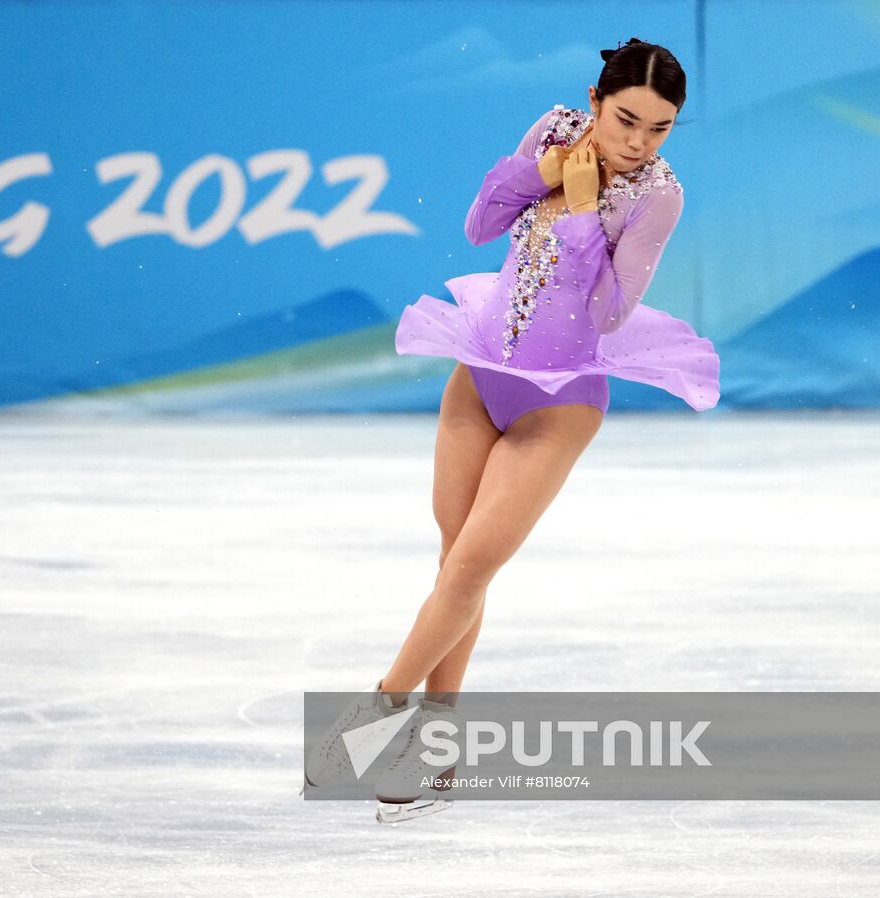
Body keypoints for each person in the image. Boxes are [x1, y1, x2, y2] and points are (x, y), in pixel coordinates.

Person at [303, 38, 720, 824]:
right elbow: (477, 225)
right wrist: (547, 173)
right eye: (627, 119)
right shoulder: (555, 129)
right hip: (478, 374)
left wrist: (592, 207)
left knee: (468, 570)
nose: (639, 141)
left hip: (558, 401)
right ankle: (439, 749)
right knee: (457, 561)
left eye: (660, 129)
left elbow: (607, 314)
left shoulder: (656, 195)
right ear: (595, 101)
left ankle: (380, 712)